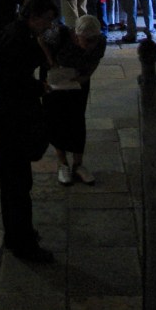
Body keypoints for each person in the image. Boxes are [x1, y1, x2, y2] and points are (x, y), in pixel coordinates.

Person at [0, 0, 59, 263]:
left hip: (5, 111)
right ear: (33, 16)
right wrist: (41, 87)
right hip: (3, 115)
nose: (48, 26)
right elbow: (11, 83)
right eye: (46, 20)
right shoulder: (16, 39)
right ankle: (22, 243)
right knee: (16, 182)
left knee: (16, 181)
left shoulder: (20, 32)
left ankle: (16, 235)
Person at [41, 14, 106, 186]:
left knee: (77, 118)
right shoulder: (59, 34)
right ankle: (63, 163)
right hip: (55, 78)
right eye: (86, 41)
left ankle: (78, 164)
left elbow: (95, 60)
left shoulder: (99, 42)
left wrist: (86, 76)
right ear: (76, 36)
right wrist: (51, 61)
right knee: (56, 118)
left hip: (78, 80)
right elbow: (40, 39)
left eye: (93, 40)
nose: (90, 45)